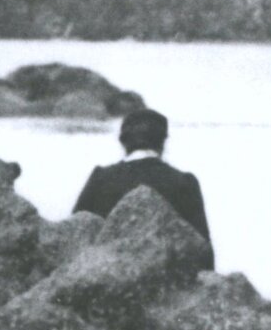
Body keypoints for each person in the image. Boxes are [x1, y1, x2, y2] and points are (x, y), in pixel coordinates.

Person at [74, 107, 213, 253]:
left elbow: (75, 232)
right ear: (163, 142)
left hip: (100, 269)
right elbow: (203, 249)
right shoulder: (184, 182)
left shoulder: (101, 178)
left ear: (123, 141)